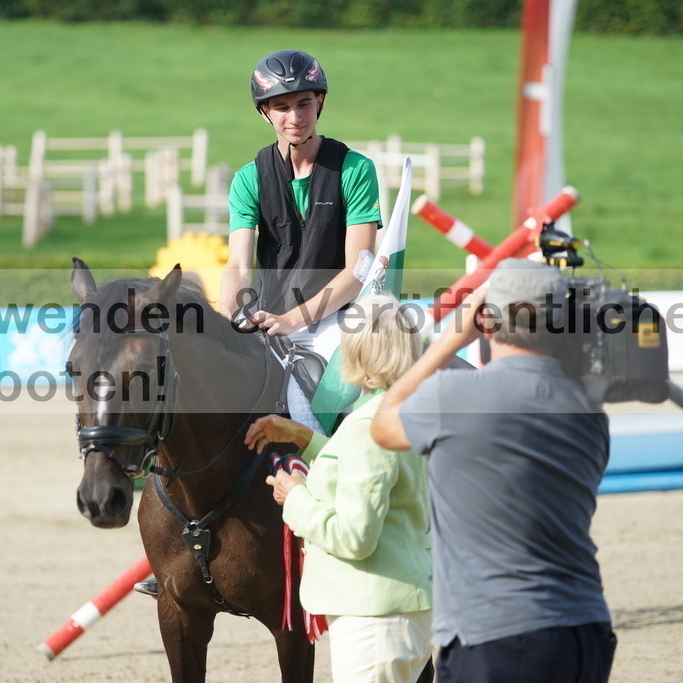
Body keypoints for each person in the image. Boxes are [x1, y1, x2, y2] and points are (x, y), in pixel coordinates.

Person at [370, 259, 617, 683]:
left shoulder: (455, 395)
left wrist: (446, 343)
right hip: (586, 629)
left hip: (497, 636)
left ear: (484, 320)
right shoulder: (589, 412)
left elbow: (382, 425)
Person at [248, 295, 433, 682]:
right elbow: (370, 470)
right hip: (398, 607)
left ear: (355, 351)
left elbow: (354, 537)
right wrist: (304, 438)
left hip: (373, 615)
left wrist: (295, 498)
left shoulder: (368, 426)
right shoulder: (395, 412)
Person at [218, 49, 382, 430]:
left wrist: (291, 320)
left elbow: (358, 270)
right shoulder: (247, 179)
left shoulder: (356, 170)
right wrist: (224, 319)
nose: (295, 117)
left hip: (335, 318)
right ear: (265, 112)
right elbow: (238, 265)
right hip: (267, 312)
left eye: (304, 103)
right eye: (282, 107)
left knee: (333, 397)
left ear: (319, 102)